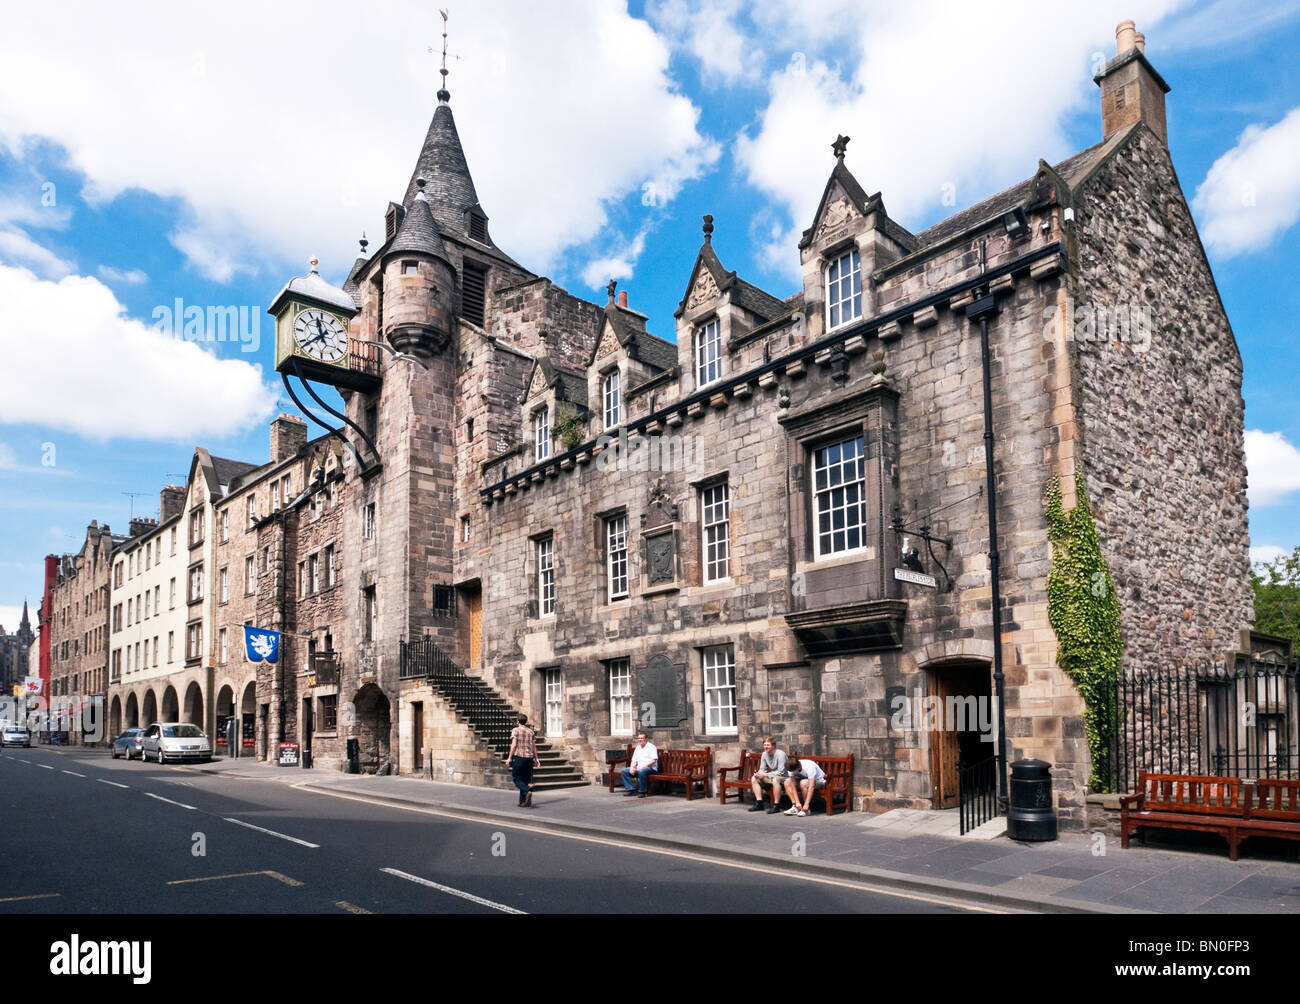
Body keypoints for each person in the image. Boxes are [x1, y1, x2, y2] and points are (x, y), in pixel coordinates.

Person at [507, 713, 541, 807]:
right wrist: (536, 759)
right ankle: (522, 802)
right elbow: (534, 746)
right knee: (525, 780)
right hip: (529, 759)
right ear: (525, 722)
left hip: (520, 758)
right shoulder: (531, 732)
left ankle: (527, 790)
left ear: (518, 721)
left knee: (516, 779)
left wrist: (509, 757)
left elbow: (514, 745)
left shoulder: (515, 730)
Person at [749, 737, 788, 813]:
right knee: (754, 778)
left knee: (775, 780)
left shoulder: (780, 754)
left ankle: (776, 805)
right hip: (773, 776)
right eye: (764, 745)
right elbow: (762, 769)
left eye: (768, 745)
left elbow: (781, 771)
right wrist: (758, 774)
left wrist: (765, 774)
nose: (766, 747)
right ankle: (759, 803)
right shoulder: (764, 754)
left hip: (784, 776)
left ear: (773, 746)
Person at [621, 731, 659, 798]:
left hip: (651, 768)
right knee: (624, 771)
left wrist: (642, 767)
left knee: (642, 771)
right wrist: (632, 768)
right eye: (638, 738)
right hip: (638, 768)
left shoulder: (652, 747)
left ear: (646, 739)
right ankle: (630, 789)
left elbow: (654, 760)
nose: (640, 740)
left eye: (642, 738)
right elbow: (634, 760)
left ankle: (642, 791)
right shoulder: (638, 748)